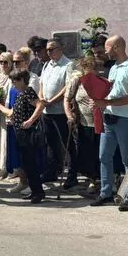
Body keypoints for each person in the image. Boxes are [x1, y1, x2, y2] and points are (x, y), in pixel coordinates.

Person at [94, 35, 128, 211]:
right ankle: (106, 192)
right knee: (104, 156)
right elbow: (111, 91)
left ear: (116, 47)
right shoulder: (113, 68)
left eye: (107, 47)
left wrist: (107, 102)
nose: (105, 51)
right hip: (109, 117)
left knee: (127, 159)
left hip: (126, 118)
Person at [38, 39, 74, 187]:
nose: (49, 52)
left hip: (60, 111)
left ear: (61, 48)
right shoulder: (47, 65)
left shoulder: (68, 65)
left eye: (52, 49)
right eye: (47, 50)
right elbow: (41, 84)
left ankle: (72, 174)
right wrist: (41, 98)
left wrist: (53, 100)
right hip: (47, 110)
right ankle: (51, 170)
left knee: (67, 143)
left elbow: (68, 87)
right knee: (50, 143)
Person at [9, 69, 47, 203]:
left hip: (28, 133)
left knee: (31, 163)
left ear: (22, 80)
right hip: (20, 134)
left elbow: (40, 104)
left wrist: (30, 120)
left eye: (15, 80)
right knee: (26, 164)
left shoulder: (28, 91)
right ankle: (35, 190)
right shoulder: (20, 94)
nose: (13, 83)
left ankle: (38, 192)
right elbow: (14, 113)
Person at [65, 53, 101, 194]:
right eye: (88, 67)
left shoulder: (100, 79)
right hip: (83, 122)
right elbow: (67, 99)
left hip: (100, 122)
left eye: (94, 67)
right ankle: (92, 179)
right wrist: (69, 115)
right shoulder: (77, 80)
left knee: (99, 152)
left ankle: (99, 180)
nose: (91, 70)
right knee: (86, 153)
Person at [0, 52, 13, 179]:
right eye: (1, 62)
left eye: (6, 62)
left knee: (6, 140)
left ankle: (8, 168)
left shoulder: (12, 77)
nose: (3, 65)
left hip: (7, 112)